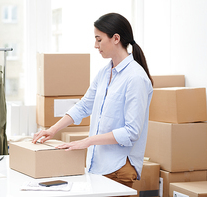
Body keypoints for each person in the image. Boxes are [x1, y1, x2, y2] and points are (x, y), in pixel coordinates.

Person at [32, 12, 153, 189]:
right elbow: (83, 106)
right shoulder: (105, 72)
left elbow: (131, 132)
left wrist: (88, 141)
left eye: (99, 39)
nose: (95, 45)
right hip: (97, 165)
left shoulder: (135, 78)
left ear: (116, 38)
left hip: (119, 166)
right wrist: (52, 130)